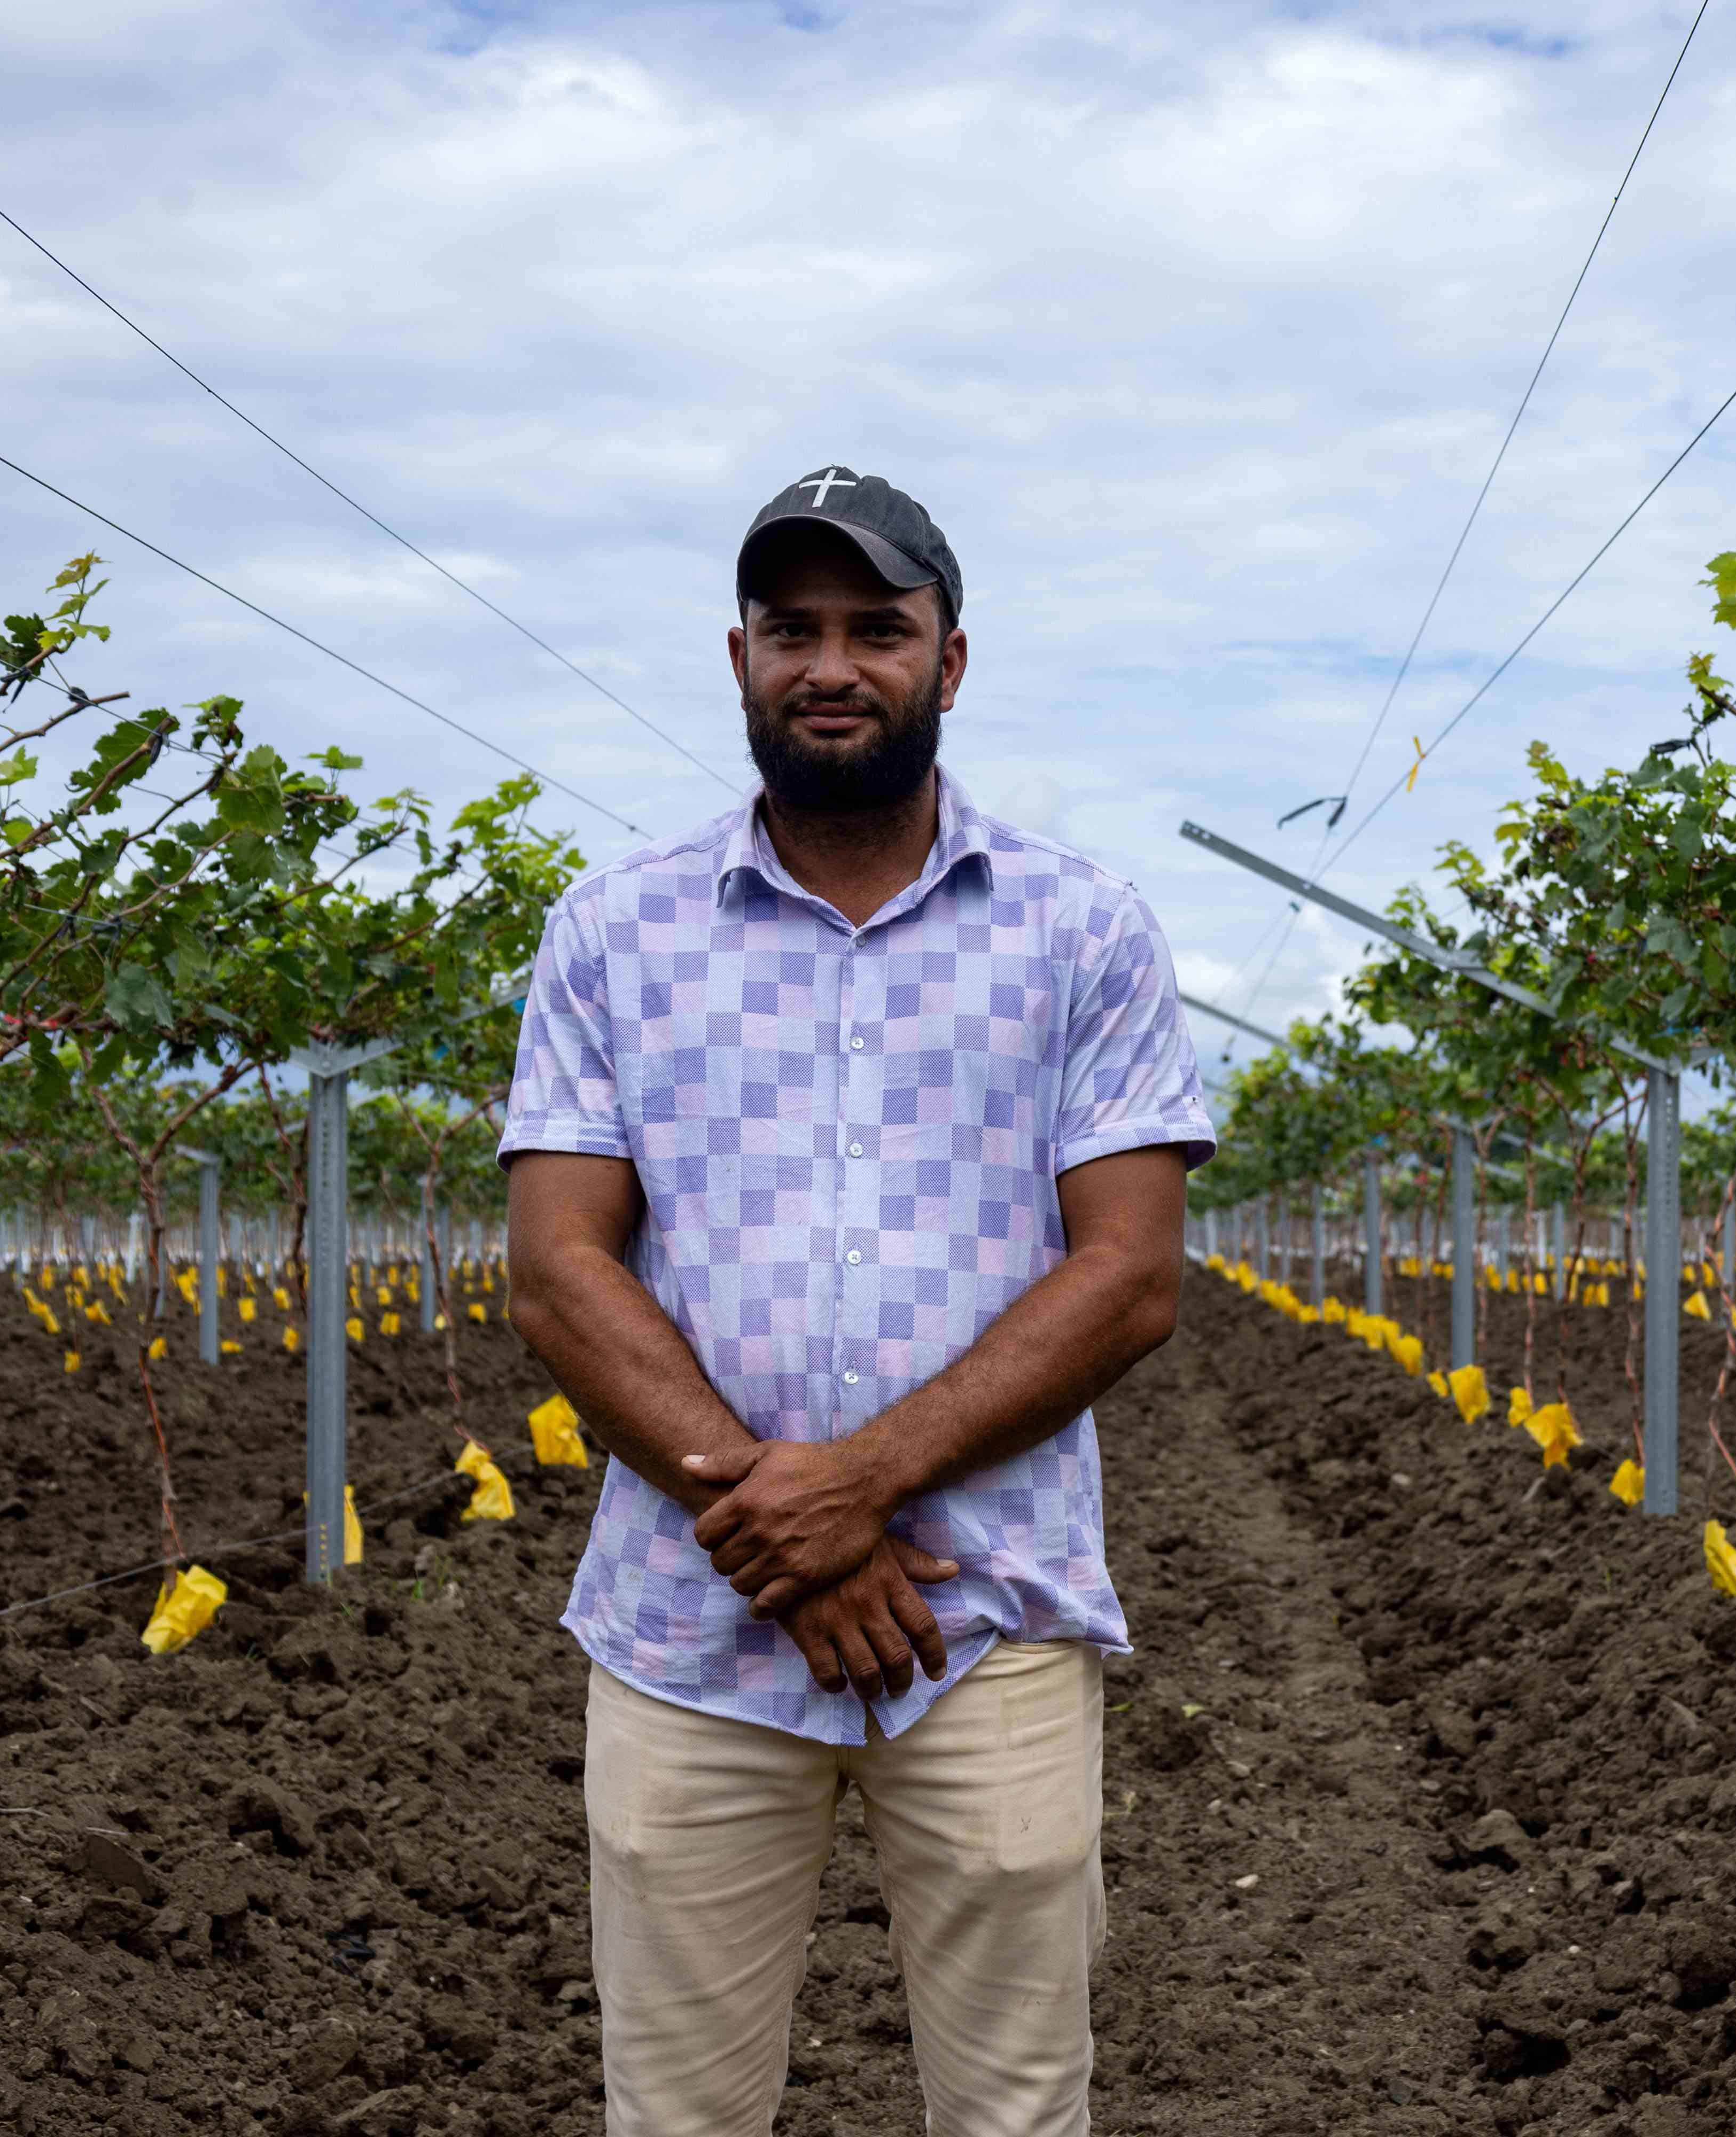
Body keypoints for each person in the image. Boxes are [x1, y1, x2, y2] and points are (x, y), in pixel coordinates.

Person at [499, 464, 1213, 2136]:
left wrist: (860, 1484)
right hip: (690, 1630)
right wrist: (779, 1527)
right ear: (737, 656)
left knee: (1017, 2112)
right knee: (675, 2115)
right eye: (792, 630)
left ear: (949, 663)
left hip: (990, 1622)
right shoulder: (613, 931)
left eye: (876, 630)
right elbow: (557, 1267)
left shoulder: (1082, 928)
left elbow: (1130, 1277)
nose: (832, 664)